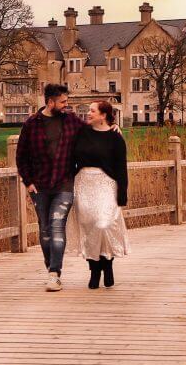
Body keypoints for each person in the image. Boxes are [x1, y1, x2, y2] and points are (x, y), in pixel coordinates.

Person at [15, 83, 85, 291]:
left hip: (64, 183)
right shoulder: (31, 125)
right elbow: (21, 157)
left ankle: (55, 273)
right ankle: (50, 269)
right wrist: (28, 182)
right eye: (62, 102)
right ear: (50, 102)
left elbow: (92, 134)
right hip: (40, 186)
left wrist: (111, 129)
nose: (66, 105)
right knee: (45, 230)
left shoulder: (72, 121)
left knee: (56, 226)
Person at [68, 100, 129, 289]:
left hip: (106, 184)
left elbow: (121, 168)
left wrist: (122, 194)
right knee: (89, 228)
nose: (88, 113)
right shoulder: (81, 132)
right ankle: (94, 271)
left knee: (104, 225)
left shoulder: (115, 137)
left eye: (92, 111)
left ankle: (107, 264)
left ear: (103, 115)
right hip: (84, 184)